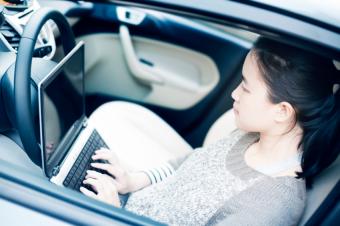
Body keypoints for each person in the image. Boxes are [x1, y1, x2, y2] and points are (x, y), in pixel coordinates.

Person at [79, 38, 340, 226]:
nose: (234, 94)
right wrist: (133, 181)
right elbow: (190, 164)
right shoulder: (250, 136)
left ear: (282, 112)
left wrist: (112, 216)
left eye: (246, 88)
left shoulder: (268, 208)